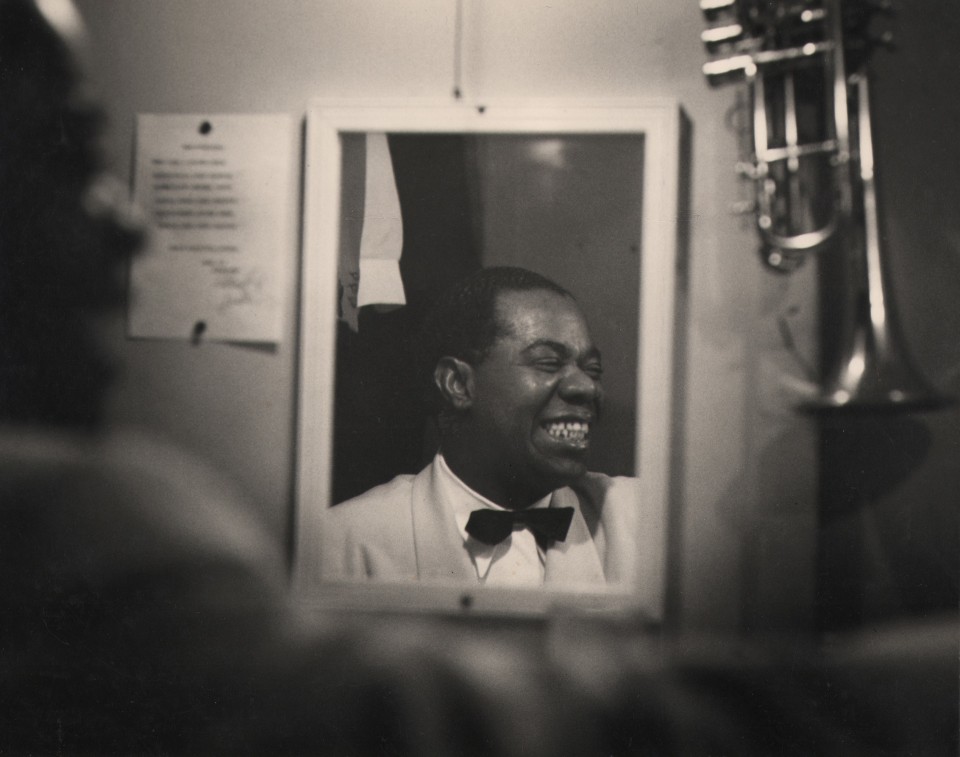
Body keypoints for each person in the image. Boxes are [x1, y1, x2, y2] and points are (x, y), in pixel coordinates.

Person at [320, 266, 645, 590]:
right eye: (548, 363)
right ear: (458, 383)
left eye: (593, 369)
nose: (586, 387)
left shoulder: (642, 520)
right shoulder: (347, 543)